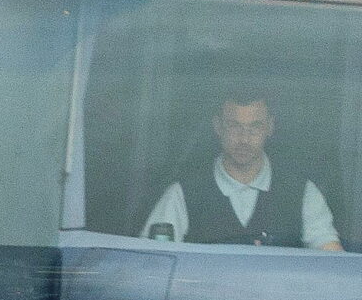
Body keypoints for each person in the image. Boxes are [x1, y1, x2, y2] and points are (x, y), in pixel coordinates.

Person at [143, 91, 342, 250]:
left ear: (270, 127)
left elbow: (332, 262)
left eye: (254, 127)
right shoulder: (183, 194)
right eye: (234, 126)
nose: (244, 138)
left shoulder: (301, 192)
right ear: (218, 126)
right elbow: (153, 264)